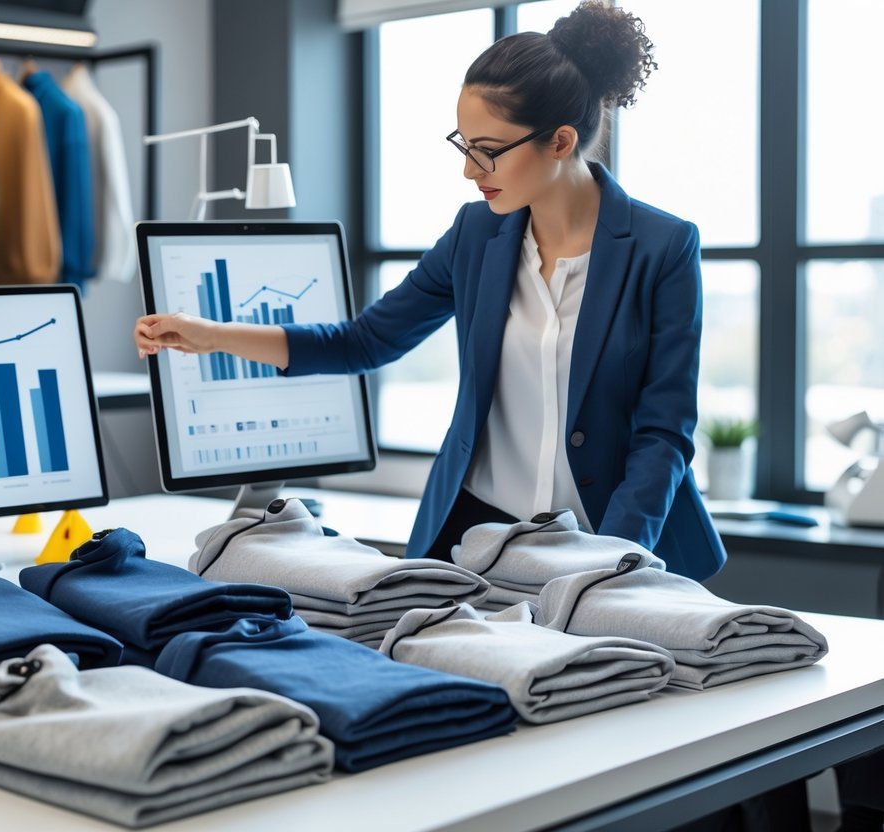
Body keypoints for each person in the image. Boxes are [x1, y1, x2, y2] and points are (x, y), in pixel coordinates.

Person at [135, 1, 726, 582]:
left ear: (560, 141)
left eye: (488, 151)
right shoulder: (477, 233)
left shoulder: (662, 247)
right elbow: (363, 341)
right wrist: (210, 335)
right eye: (464, 145)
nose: (470, 170)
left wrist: (613, 568)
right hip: (477, 541)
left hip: (609, 544)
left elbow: (663, 434)